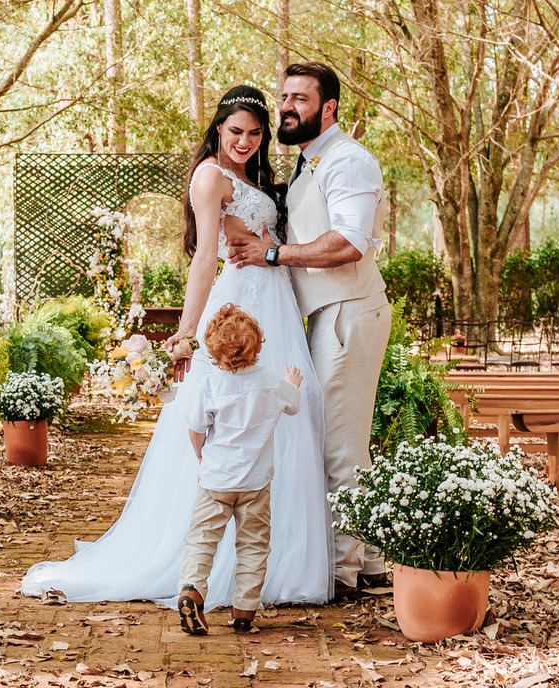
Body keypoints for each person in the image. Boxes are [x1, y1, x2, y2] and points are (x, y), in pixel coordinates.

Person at [20, 85, 332, 609]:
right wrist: (187, 334)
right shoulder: (209, 176)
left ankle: (280, 559)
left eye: (256, 134)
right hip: (241, 302)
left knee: (281, 412)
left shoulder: (247, 176)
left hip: (274, 302)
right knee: (232, 409)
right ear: (218, 128)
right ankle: (215, 563)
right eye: (236, 131)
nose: (246, 142)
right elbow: (205, 258)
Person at [229, 62, 392, 599]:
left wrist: (273, 254)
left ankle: (343, 573)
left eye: (300, 98)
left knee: (338, 446)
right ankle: (369, 562)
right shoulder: (309, 162)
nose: (286, 107)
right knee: (340, 440)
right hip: (326, 314)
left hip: (348, 311)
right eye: (284, 97)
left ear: (329, 107)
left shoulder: (348, 160)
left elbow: (350, 242)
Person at [176, 304, 304, 636]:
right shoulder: (271, 382)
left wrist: (201, 457)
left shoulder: (211, 385)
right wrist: (292, 383)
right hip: (255, 483)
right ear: (258, 345)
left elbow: (196, 428)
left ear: (213, 351)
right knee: (253, 545)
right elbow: (293, 405)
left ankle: (192, 591)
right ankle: (244, 610)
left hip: (215, 481)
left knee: (202, 539)